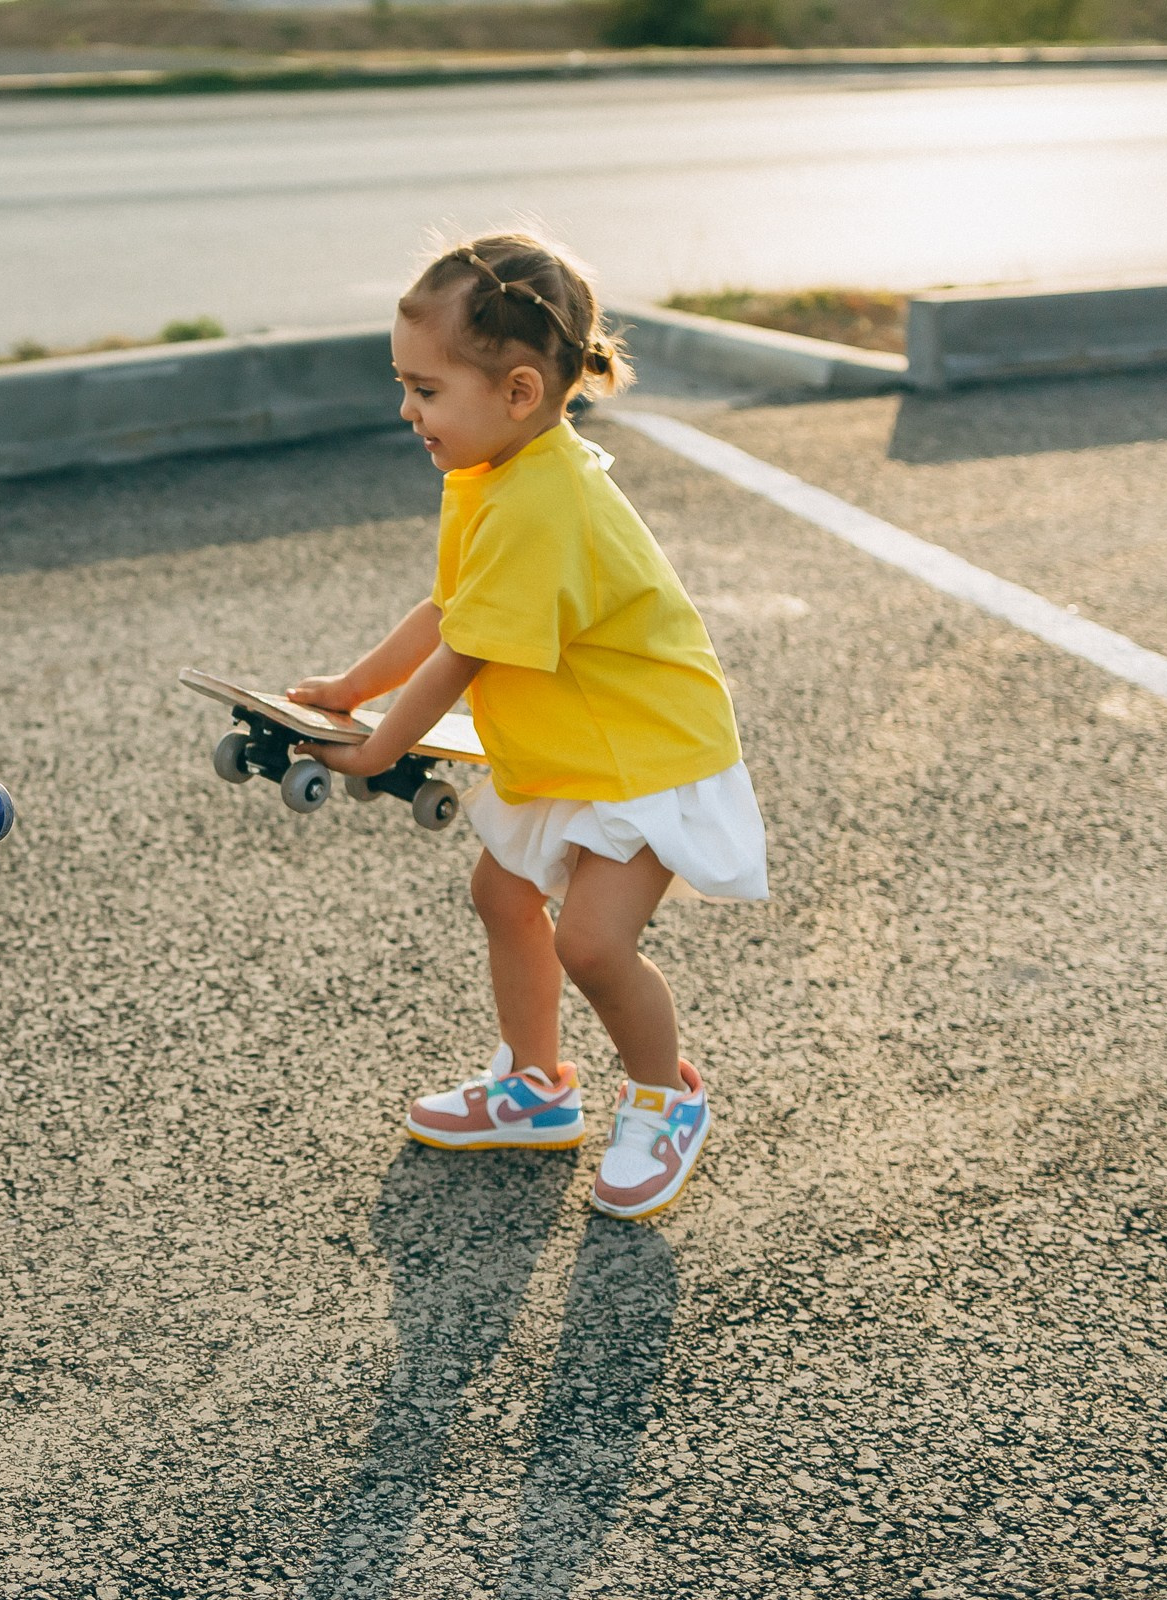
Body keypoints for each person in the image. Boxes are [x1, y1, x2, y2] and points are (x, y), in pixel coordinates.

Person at [292, 232, 768, 1220]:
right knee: (501, 893)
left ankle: (666, 1098)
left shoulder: (543, 501)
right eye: (404, 385)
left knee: (592, 943)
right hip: (575, 744)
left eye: (426, 389)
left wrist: (378, 746)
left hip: (647, 753)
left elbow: (464, 654)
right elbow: (449, 612)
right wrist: (351, 686)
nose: (407, 409)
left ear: (517, 392)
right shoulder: (492, 475)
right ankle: (537, 1084)